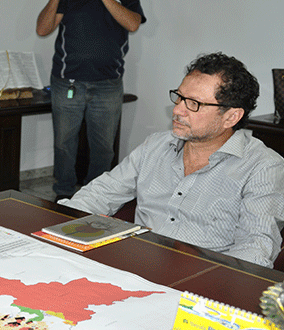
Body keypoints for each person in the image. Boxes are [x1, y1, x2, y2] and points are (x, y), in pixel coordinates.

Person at [59, 52, 284, 268]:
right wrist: (58, 226)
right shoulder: (155, 145)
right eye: (179, 97)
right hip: (135, 266)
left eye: (193, 104)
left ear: (231, 117)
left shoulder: (263, 167)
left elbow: (255, 251)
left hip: (200, 282)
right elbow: (101, 193)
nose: (177, 110)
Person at [36, 0, 146, 202]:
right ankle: (64, 191)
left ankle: (94, 194)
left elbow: (132, 24)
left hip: (109, 84)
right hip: (68, 81)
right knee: (64, 142)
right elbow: (42, 29)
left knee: (104, 146)